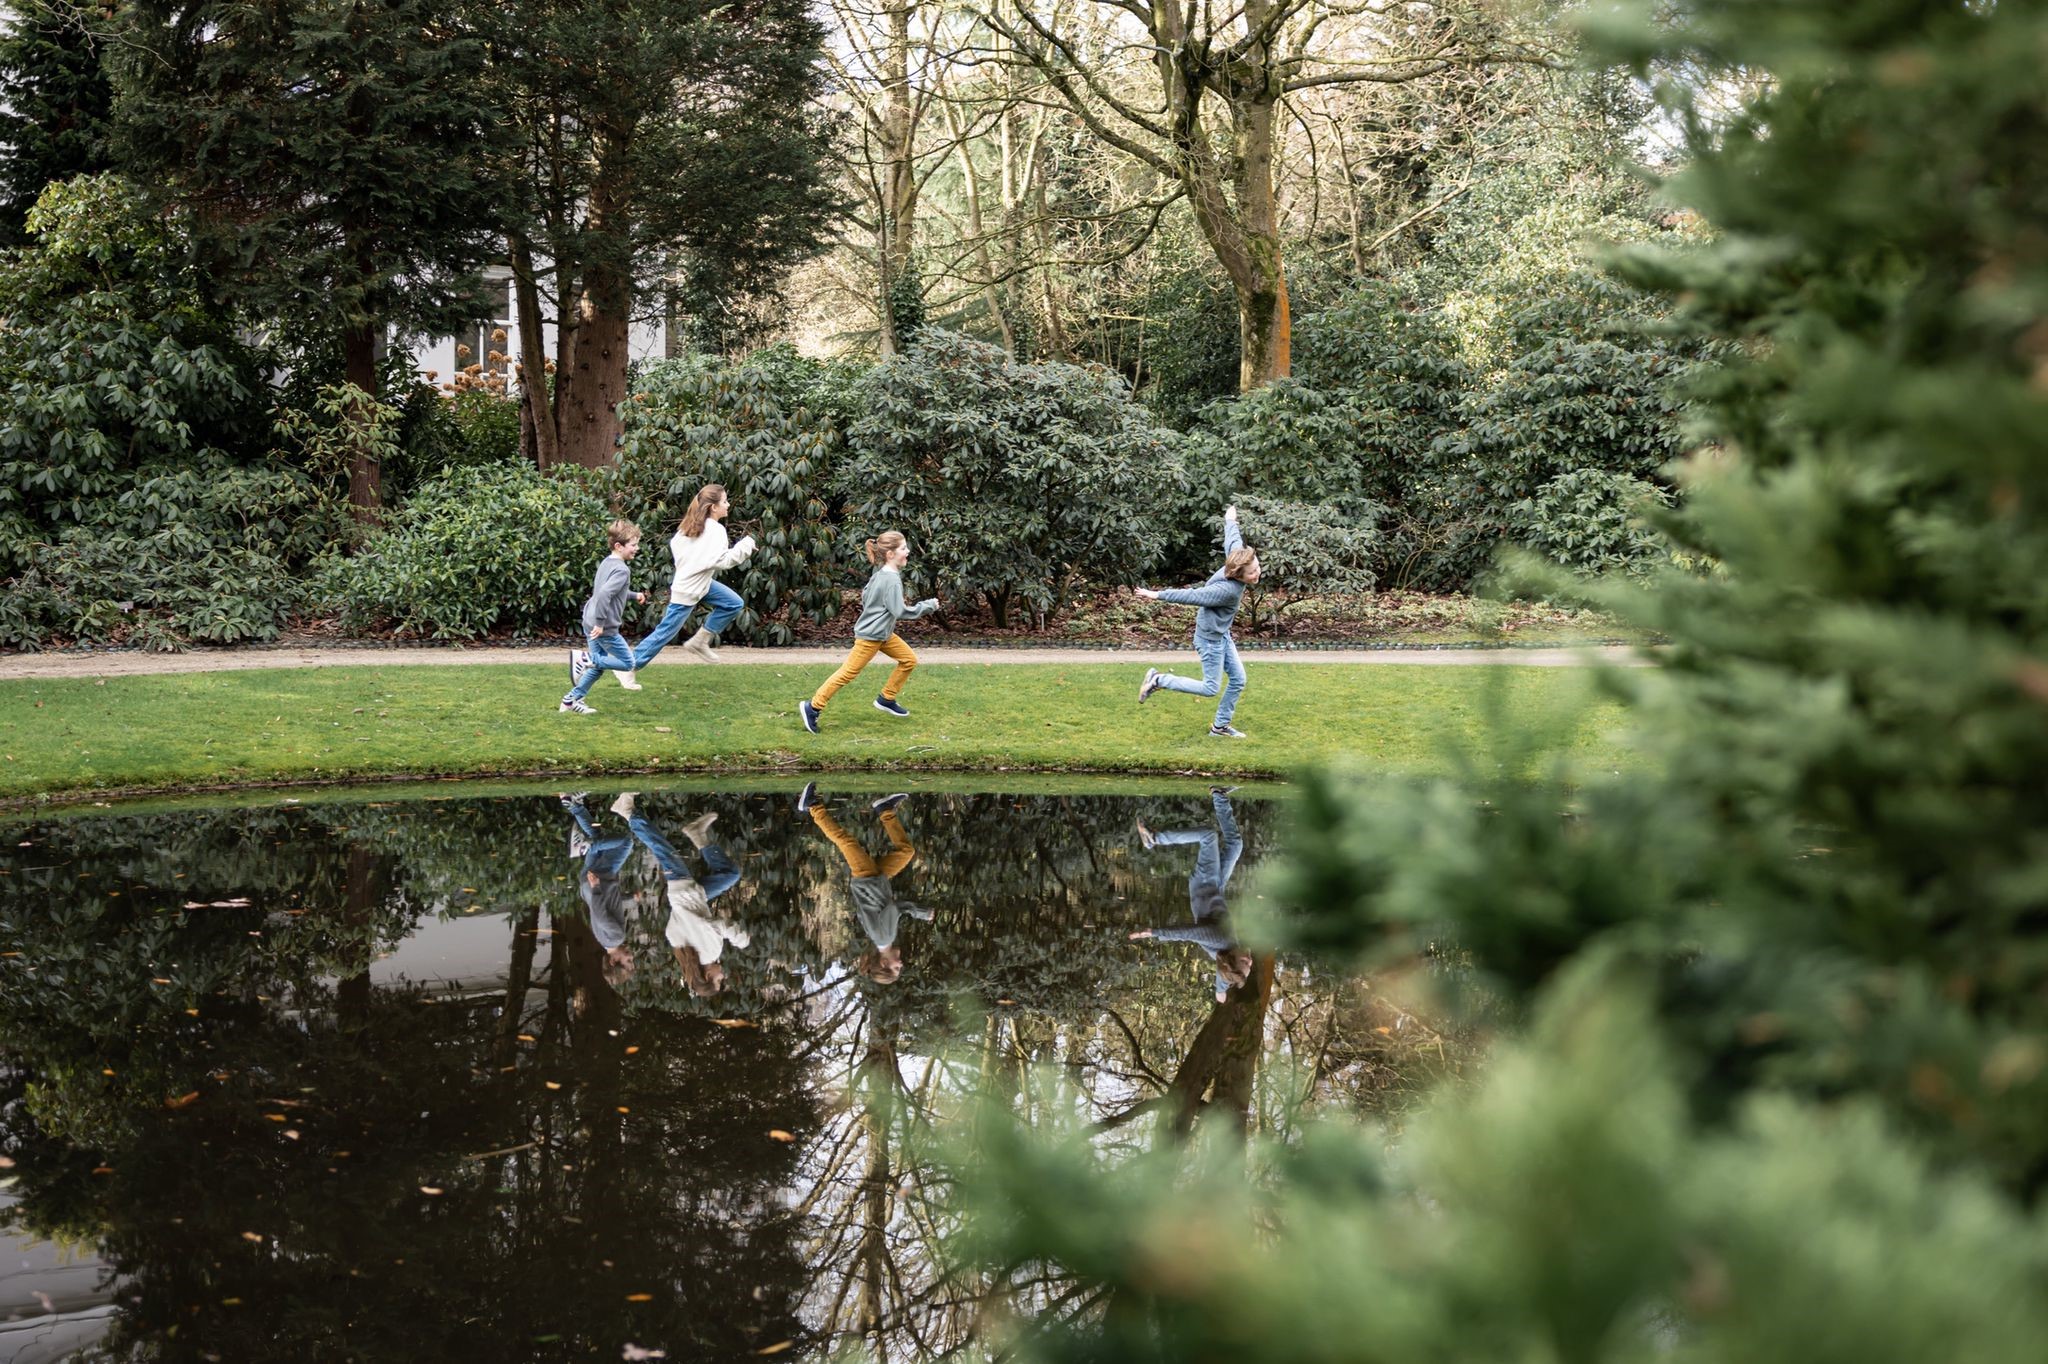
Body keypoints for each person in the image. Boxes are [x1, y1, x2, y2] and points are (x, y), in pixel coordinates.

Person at [604, 483, 756, 684]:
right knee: (666, 632)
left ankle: (700, 641)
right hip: (689, 590)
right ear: (713, 507)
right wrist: (745, 546)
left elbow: (676, 545)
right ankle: (628, 665)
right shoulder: (715, 530)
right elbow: (722, 561)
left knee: (732, 603)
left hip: (700, 584)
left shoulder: (691, 525)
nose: (728, 505)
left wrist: (690, 566)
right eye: (725, 501)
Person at [1132, 506, 1259, 739]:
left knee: (1239, 679)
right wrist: (1158, 595)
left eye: (1257, 567)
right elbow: (1192, 596)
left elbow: (1233, 541)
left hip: (1221, 634)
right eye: (1252, 573)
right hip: (1210, 640)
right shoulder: (1226, 591)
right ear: (1238, 574)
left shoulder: (1237, 558)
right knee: (1210, 688)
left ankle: (1220, 728)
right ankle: (1159, 680)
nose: (1257, 573)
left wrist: (1230, 519)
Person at [607, 791, 750, 997]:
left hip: (684, 889)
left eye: (720, 979)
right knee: (730, 875)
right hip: (689, 896)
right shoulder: (682, 951)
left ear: (709, 976)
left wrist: (740, 939)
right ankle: (697, 834)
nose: (723, 974)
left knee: (660, 846)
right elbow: (672, 930)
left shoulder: (710, 952)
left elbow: (718, 925)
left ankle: (626, 809)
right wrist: (685, 911)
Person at [800, 530, 939, 733]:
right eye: (903, 548)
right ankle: (812, 707)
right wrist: (928, 606)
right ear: (890, 554)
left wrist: (875, 614)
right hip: (871, 637)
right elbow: (900, 611)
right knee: (847, 674)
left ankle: (886, 698)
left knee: (909, 660)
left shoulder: (881, 573)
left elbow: (865, 595)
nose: (907, 551)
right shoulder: (891, 579)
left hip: (883, 635)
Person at [795, 782, 932, 984]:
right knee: (906, 852)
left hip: (867, 878)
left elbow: (895, 908)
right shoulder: (879, 937)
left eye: (896, 968)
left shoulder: (884, 938)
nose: (900, 964)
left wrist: (922, 913)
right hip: (877, 880)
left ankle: (812, 806)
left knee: (846, 841)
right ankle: (885, 809)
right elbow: (872, 908)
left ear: (884, 963)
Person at [1129, 787, 1255, 1002]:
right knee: (1235, 845)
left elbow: (1189, 933)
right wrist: (1221, 990)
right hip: (1216, 888)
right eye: (1249, 965)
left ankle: (1154, 839)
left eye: (1245, 962)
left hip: (1204, 885)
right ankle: (1219, 795)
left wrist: (1155, 932)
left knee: (1208, 836)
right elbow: (1225, 971)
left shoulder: (1220, 939)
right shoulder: (1226, 954)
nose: (1250, 960)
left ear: (1232, 959)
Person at [561, 519, 647, 714]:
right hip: (603, 626)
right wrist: (601, 624)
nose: (636, 548)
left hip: (589, 619)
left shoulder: (607, 563)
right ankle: (585, 658)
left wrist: (634, 595)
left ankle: (570, 700)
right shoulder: (622, 570)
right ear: (619, 546)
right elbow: (605, 595)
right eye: (633, 545)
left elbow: (611, 591)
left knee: (598, 667)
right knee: (628, 663)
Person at [562, 793, 640, 986]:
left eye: (628, 960)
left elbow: (599, 912)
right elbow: (609, 906)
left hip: (601, 879)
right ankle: (572, 804)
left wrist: (596, 887)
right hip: (588, 883)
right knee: (598, 837)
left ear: (614, 961)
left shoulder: (616, 937)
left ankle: (584, 847)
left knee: (626, 842)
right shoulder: (603, 940)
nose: (631, 956)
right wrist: (630, 898)